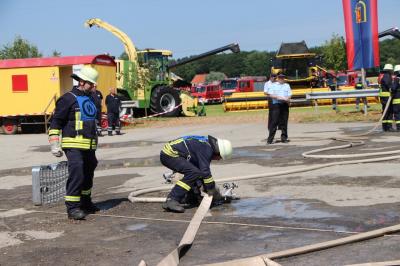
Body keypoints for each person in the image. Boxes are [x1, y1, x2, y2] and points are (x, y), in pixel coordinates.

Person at [48, 66, 100, 220]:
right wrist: (54, 144)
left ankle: (85, 202)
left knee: (88, 173)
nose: (93, 86)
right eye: (91, 84)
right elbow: (56, 123)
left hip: (89, 145)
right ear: (82, 82)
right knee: (77, 172)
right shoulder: (68, 98)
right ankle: (72, 208)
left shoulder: (91, 98)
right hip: (73, 145)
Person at [160, 135, 233, 213]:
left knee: (195, 172)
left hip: (171, 153)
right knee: (193, 172)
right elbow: (205, 172)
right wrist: (211, 189)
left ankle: (191, 197)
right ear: (218, 152)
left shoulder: (206, 145)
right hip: (170, 155)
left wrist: (199, 192)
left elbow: (201, 172)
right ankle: (172, 199)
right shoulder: (206, 149)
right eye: (220, 157)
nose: (218, 160)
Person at [265, 73, 292, 144]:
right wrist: (278, 97)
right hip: (276, 105)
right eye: (280, 77)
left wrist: (286, 99)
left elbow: (289, 95)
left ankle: (284, 138)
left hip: (285, 104)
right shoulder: (273, 85)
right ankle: (270, 139)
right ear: (277, 78)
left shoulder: (287, 85)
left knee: (284, 122)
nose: (281, 79)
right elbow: (270, 94)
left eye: (283, 77)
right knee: (274, 122)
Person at [379, 64, 394, 132]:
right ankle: (388, 127)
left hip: (384, 97)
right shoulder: (387, 76)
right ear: (389, 70)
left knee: (385, 112)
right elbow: (389, 85)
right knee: (389, 112)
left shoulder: (383, 75)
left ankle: (385, 127)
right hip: (387, 97)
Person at [391, 65, 400, 131]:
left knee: (397, 113)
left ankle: (399, 127)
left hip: (397, 99)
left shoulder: (397, 79)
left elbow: (393, 88)